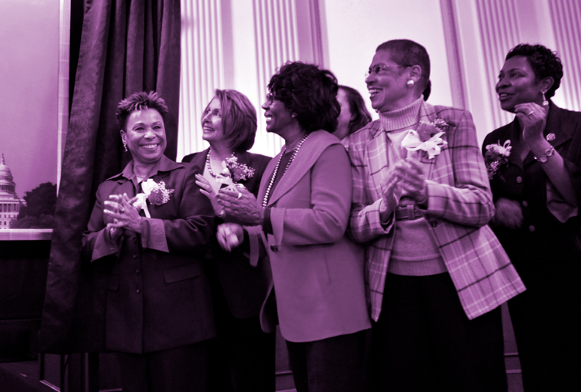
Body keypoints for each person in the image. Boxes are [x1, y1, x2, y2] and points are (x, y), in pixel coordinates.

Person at [343, 39, 525, 391]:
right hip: (394, 290)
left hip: (461, 281)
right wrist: (386, 205)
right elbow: (354, 224)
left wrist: (426, 192)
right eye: (369, 71)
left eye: (379, 69)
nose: (369, 78)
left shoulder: (454, 121)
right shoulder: (358, 142)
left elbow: (481, 205)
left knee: (472, 380)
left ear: (413, 74)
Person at [217, 62, 371, 392]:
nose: (265, 105)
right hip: (297, 312)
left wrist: (260, 217)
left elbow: (330, 222)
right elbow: (270, 227)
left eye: (273, 97)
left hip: (330, 312)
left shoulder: (328, 149)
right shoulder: (278, 160)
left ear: (297, 105)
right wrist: (241, 233)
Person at [81, 91, 216, 392]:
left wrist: (142, 226)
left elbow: (200, 232)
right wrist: (112, 233)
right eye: (140, 128)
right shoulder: (108, 188)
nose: (151, 135)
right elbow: (88, 244)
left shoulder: (186, 175)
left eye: (157, 127)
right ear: (124, 138)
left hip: (181, 321)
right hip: (128, 322)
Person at [483, 44, 581, 391]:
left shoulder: (576, 125)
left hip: (571, 266)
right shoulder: (495, 139)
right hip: (521, 271)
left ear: (545, 83)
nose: (501, 83)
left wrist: (537, 140)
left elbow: (575, 194)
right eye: (501, 76)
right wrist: (496, 207)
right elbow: (485, 196)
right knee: (537, 364)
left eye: (515, 75)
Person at [182, 89, 275, 392]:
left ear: (237, 120)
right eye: (207, 111)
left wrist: (231, 223)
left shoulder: (263, 167)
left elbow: (269, 225)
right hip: (197, 287)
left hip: (244, 286)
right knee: (208, 377)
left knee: (252, 377)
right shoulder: (187, 164)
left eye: (216, 113)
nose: (206, 117)